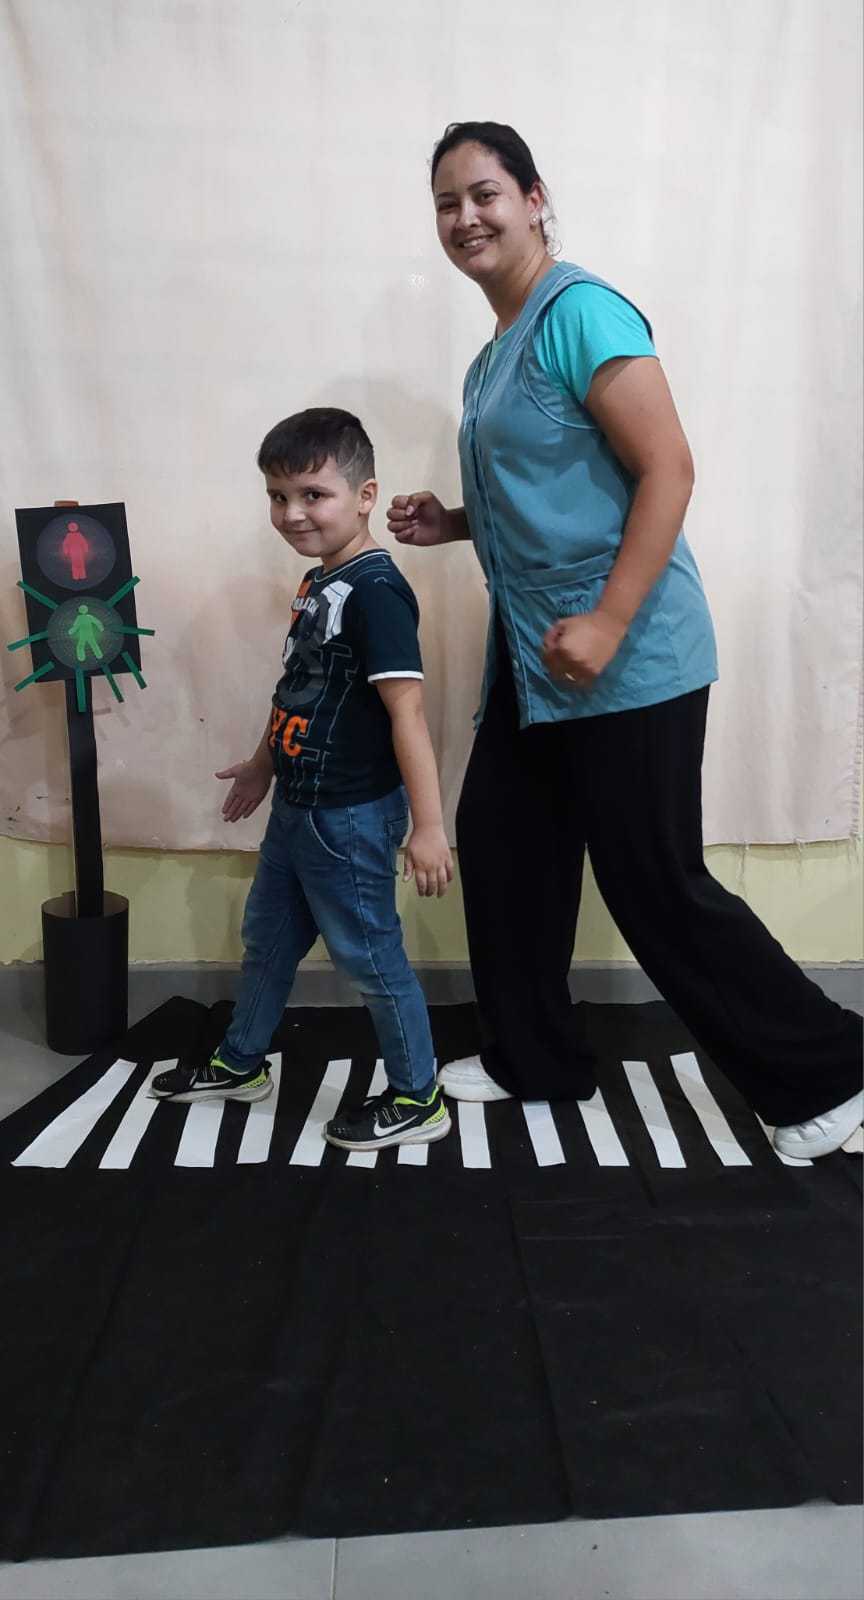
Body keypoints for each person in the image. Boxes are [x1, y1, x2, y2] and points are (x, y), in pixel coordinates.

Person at [387, 120, 863, 1161]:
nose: (465, 218)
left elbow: (668, 468)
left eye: (484, 194)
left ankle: (830, 1071)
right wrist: (454, 523)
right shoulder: (492, 354)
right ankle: (533, 1056)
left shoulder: (582, 313)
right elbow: (558, 490)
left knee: (655, 881)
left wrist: (608, 621)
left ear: (534, 199)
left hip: (629, 653)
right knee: (507, 850)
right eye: (446, 203)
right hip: (536, 657)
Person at [152, 408, 454, 1152]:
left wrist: (428, 825)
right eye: (278, 496)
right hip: (298, 806)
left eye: (313, 494)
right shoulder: (321, 580)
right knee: (268, 939)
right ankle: (241, 1062)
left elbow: (408, 713)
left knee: (370, 958)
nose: (292, 513)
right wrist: (264, 763)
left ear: (365, 495)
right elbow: (300, 686)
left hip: (350, 815)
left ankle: (418, 1096)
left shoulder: (377, 590)